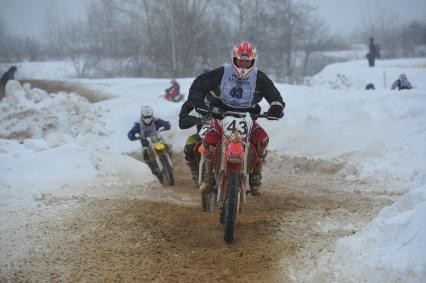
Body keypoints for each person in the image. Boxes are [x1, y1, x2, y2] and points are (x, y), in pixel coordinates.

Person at [187, 41, 285, 196]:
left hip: (248, 116)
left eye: (247, 61)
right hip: (221, 114)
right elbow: (199, 84)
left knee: (262, 139)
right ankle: (207, 174)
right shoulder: (222, 72)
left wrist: (276, 107)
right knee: (209, 140)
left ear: (253, 61)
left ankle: (256, 174)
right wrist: (197, 102)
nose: (244, 65)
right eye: (241, 61)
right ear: (234, 59)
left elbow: (274, 94)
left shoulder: (259, 77)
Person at [128, 106, 171, 180]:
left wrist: (166, 126)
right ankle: (152, 168)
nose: (147, 119)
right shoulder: (138, 124)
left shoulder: (156, 120)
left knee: (167, 146)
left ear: (152, 115)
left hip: (157, 140)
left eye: (149, 117)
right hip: (146, 142)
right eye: (145, 117)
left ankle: (168, 157)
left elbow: (166, 123)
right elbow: (130, 133)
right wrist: (134, 136)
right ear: (142, 116)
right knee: (145, 153)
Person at [179, 99, 213, 185]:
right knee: (189, 146)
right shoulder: (197, 100)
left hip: (219, 133)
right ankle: (195, 171)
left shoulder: (223, 99)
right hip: (201, 135)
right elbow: (184, 118)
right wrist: (197, 120)